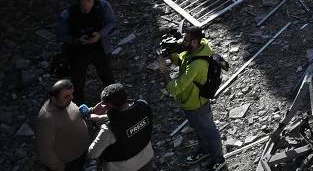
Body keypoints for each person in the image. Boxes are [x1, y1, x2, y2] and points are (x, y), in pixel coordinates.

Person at [166, 27, 224, 169]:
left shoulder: (197, 64)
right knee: (198, 128)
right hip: (189, 102)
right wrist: (172, 52)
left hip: (197, 103)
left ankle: (219, 160)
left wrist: (164, 72)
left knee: (210, 131)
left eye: (185, 39)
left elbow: (176, 87)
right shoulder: (195, 49)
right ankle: (204, 150)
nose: (182, 41)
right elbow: (181, 61)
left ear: (194, 42)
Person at [59, 0, 118, 101]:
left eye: (89, 1)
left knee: (107, 75)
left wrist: (100, 34)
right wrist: (77, 40)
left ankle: (114, 99)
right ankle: (80, 105)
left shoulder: (102, 6)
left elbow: (111, 22)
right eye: (83, 4)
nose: (86, 7)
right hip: (78, 52)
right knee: (77, 81)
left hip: (100, 48)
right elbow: (61, 35)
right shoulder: (68, 14)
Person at [89, 82, 154, 171]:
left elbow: (93, 152)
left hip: (122, 167)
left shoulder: (109, 130)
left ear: (109, 105)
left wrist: (92, 116)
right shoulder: (144, 106)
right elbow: (128, 117)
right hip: (147, 159)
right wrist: (100, 117)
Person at [35, 80, 93, 171]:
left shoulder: (65, 103)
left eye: (71, 94)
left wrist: (91, 111)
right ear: (54, 99)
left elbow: (74, 116)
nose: (71, 98)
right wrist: (59, 167)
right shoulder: (46, 119)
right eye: (67, 96)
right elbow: (44, 149)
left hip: (82, 155)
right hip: (69, 163)